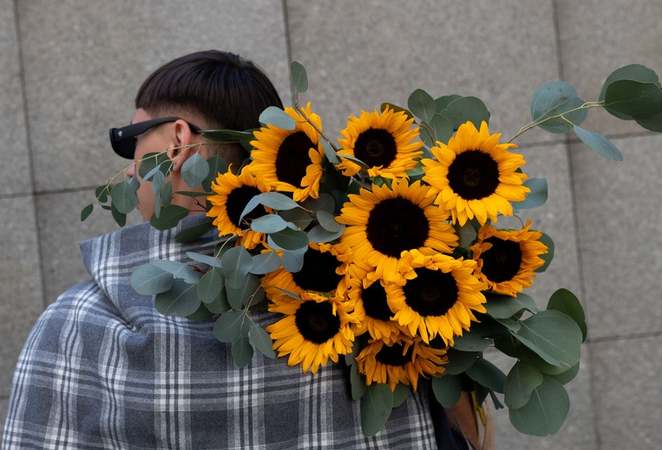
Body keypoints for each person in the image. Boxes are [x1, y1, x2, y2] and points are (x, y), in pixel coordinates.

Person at [2, 50, 487, 449]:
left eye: (130, 139)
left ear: (177, 143)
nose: (129, 169)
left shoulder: (77, 329)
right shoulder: (384, 306)